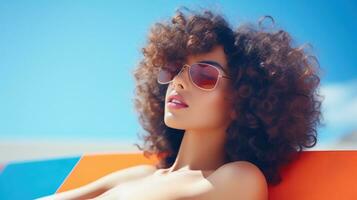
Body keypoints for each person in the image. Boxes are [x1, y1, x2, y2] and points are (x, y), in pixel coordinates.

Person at [38, 6, 322, 200]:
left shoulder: (241, 178)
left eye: (204, 74)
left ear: (244, 99)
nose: (178, 81)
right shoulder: (140, 174)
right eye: (173, 69)